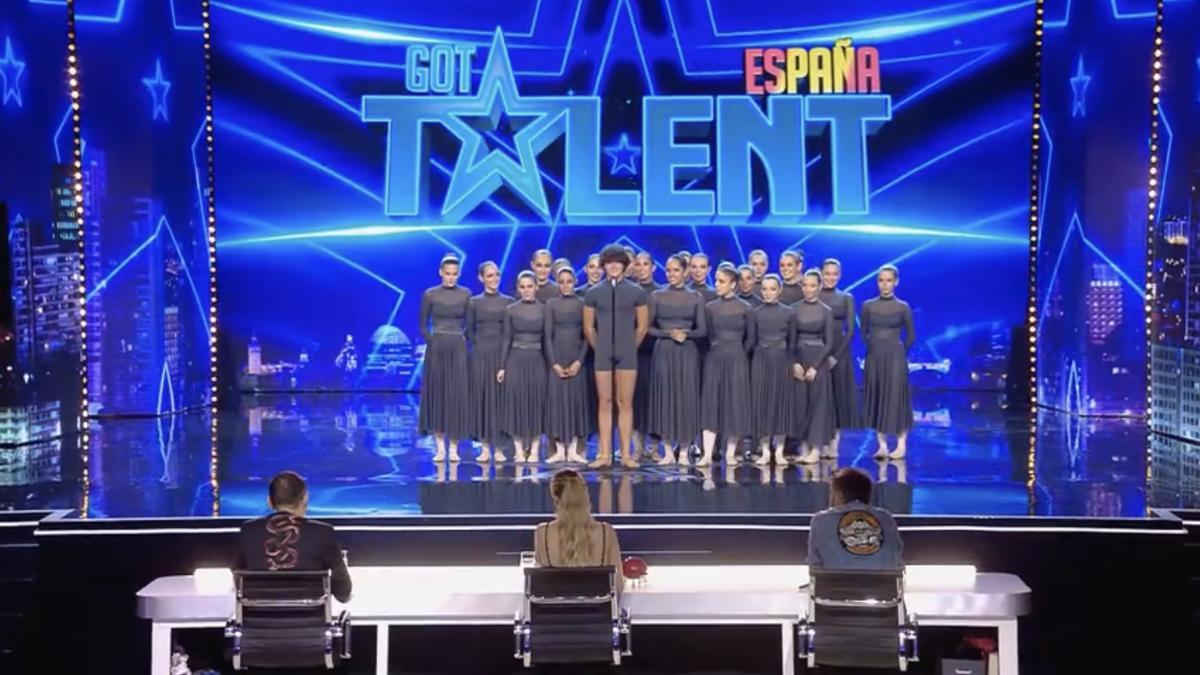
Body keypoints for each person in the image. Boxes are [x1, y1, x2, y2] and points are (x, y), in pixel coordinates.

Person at [237, 471, 352, 603]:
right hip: (311, 620)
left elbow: (239, 581)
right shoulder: (323, 532)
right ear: (305, 499)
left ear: (269, 501)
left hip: (257, 620)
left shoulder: (248, 531)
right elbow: (343, 593)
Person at [583, 245, 649, 469]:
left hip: (627, 354)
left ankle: (627, 455)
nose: (613, 266)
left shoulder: (637, 292)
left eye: (617, 262)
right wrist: (600, 347)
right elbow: (589, 327)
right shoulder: (593, 293)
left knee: (625, 402)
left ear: (624, 265)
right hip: (603, 354)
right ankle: (603, 455)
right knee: (605, 402)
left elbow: (641, 326)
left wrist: (630, 347)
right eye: (609, 262)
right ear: (603, 265)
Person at [648, 255, 707, 465]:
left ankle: (683, 451)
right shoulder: (656, 295)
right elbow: (648, 328)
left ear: (685, 272)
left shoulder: (696, 297)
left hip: (687, 352)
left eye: (675, 270)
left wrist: (686, 334)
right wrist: (668, 334)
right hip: (664, 350)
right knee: (664, 398)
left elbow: (702, 330)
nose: (671, 274)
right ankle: (666, 451)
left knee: (686, 399)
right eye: (668, 270)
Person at [418, 254, 472, 462]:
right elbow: (423, 324)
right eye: (447, 273)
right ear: (441, 272)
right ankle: (440, 448)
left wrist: (461, 340)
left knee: (456, 396)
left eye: (454, 274)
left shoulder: (466, 294)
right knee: (439, 395)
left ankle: (454, 448)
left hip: (457, 347)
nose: (451, 278)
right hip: (437, 347)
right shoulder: (430, 294)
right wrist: (433, 341)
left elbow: (470, 322)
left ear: (459, 274)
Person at [699, 266, 754, 466]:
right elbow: (709, 334)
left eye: (721, 281)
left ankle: (730, 453)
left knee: (735, 403)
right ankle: (707, 454)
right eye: (716, 280)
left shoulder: (746, 308)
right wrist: (719, 348)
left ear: (733, 284)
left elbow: (751, 339)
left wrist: (738, 353)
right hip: (715, 357)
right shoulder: (710, 307)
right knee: (711, 402)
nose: (717, 284)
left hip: (737, 358)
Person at [534, 470, 624, 589]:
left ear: (555, 498)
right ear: (585, 495)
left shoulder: (542, 532)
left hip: (553, 608)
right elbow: (618, 585)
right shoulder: (605, 531)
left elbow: (541, 585)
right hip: (598, 607)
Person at [861, 264, 915, 460]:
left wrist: (898, 352)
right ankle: (882, 445)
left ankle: (901, 444)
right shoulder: (868, 305)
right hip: (875, 356)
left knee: (896, 398)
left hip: (895, 357)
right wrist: (874, 348)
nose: (885, 284)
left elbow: (910, 336)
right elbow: (863, 331)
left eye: (889, 280)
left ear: (896, 282)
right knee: (877, 396)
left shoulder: (903, 307)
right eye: (881, 280)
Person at [807, 468, 903, 571]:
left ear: (839, 495)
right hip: (884, 586)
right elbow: (896, 560)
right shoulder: (886, 518)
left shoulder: (821, 521)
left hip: (835, 586)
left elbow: (815, 566)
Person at [499, 271, 549, 463]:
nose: (527, 290)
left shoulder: (545, 309)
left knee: (536, 403)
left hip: (537, 359)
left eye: (530, 286)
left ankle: (535, 449)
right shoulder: (510, 309)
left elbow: (547, 339)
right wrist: (502, 366)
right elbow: (506, 339)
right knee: (516, 403)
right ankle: (519, 449)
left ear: (536, 287)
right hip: (515, 359)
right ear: (518, 288)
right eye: (523, 287)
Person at [544, 266, 591, 464]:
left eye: (569, 281)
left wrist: (579, 361)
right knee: (557, 402)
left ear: (575, 282)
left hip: (575, 356)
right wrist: (553, 363)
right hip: (557, 355)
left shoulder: (583, 303)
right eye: (561, 282)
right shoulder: (551, 304)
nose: (565, 286)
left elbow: (588, 335)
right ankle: (558, 450)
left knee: (574, 402)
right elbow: (546, 336)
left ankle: (573, 449)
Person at [467, 261, 512, 463]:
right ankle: (485, 447)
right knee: (483, 400)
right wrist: (480, 349)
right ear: (481, 278)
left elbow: (510, 333)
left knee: (501, 401)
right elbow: (469, 330)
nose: (494, 279)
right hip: (480, 355)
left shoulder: (509, 302)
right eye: (490, 275)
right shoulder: (473, 302)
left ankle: (500, 448)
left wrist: (503, 359)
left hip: (502, 354)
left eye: (497, 275)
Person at [792, 270, 836, 464]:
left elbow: (829, 343)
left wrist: (816, 366)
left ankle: (816, 449)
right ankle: (803, 447)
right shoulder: (793, 309)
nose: (808, 289)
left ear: (818, 287)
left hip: (818, 360)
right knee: (801, 405)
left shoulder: (826, 310)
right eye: (805, 285)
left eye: (812, 285)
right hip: (799, 359)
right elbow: (791, 339)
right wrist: (795, 363)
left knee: (818, 404)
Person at [750, 275, 795, 465]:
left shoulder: (789, 312)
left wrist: (792, 363)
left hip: (781, 360)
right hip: (761, 360)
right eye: (765, 289)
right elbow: (751, 340)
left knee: (780, 403)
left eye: (772, 289)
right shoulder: (755, 312)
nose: (768, 293)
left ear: (779, 290)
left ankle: (780, 451)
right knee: (762, 403)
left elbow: (792, 341)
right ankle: (765, 451)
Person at [818, 259, 861, 456]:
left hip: (839, 351)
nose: (830, 277)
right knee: (819, 398)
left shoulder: (846, 298)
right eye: (827, 273)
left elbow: (851, 329)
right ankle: (818, 441)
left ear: (840, 275)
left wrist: (835, 356)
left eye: (834, 274)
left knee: (836, 398)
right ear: (821, 273)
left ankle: (834, 443)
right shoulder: (814, 294)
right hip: (817, 349)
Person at [632, 251, 661, 461]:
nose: (641, 268)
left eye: (645, 264)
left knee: (654, 400)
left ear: (653, 267)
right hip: (632, 353)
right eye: (638, 264)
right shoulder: (628, 291)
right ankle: (637, 447)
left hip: (655, 353)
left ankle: (654, 447)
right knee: (633, 400)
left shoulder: (660, 292)